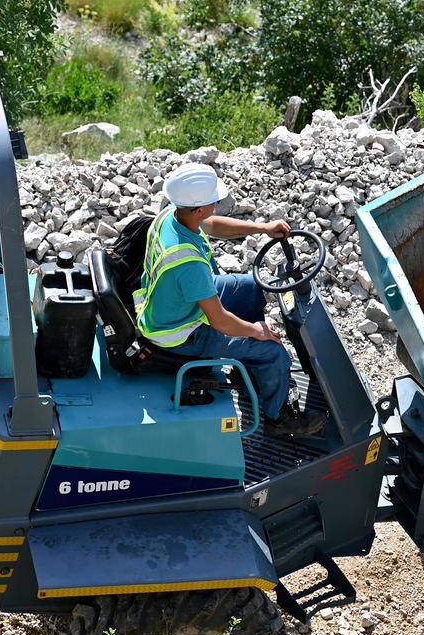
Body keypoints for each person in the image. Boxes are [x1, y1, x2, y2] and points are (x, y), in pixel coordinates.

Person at [132, 162, 326, 438]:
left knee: (250, 288)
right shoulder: (187, 263)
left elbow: (213, 225)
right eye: (213, 200)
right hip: (179, 333)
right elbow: (220, 321)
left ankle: (247, 369)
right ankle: (278, 419)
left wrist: (262, 228)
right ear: (198, 208)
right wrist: (256, 331)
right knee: (273, 352)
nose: (217, 202)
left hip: (174, 304)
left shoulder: (172, 214)